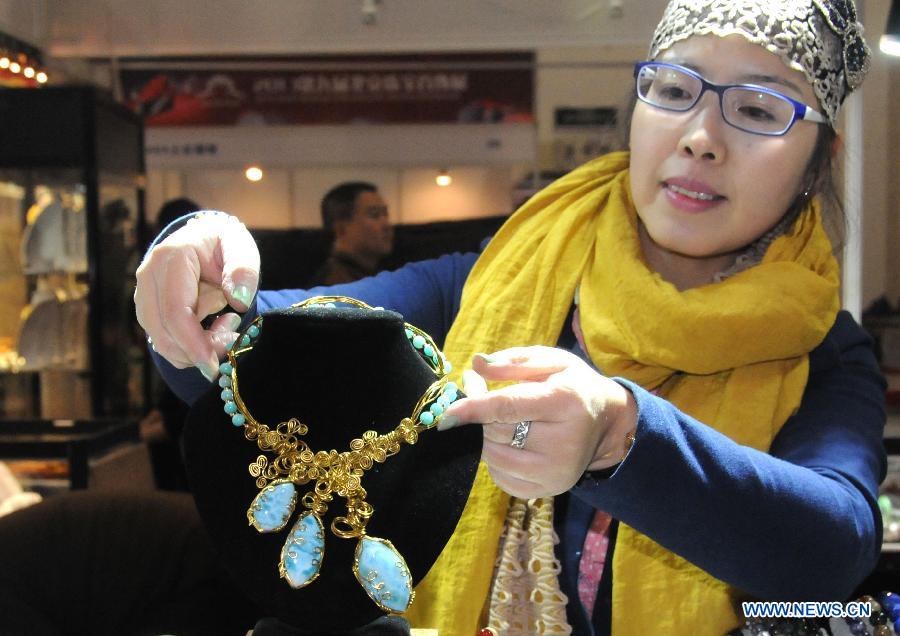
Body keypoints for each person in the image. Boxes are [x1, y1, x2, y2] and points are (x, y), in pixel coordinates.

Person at [133, 0, 887, 634]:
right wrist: (198, 280)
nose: (700, 137)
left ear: (821, 157)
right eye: (673, 89)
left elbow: (830, 550)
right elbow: (259, 359)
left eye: (757, 109)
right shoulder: (498, 278)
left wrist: (623, 437)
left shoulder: (822, 348)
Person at [306, 181, 394, 286]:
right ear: (341, 229)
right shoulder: (335, 287)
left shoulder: (371, 276)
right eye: (374, 215)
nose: (386, 225)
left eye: (385, 214)